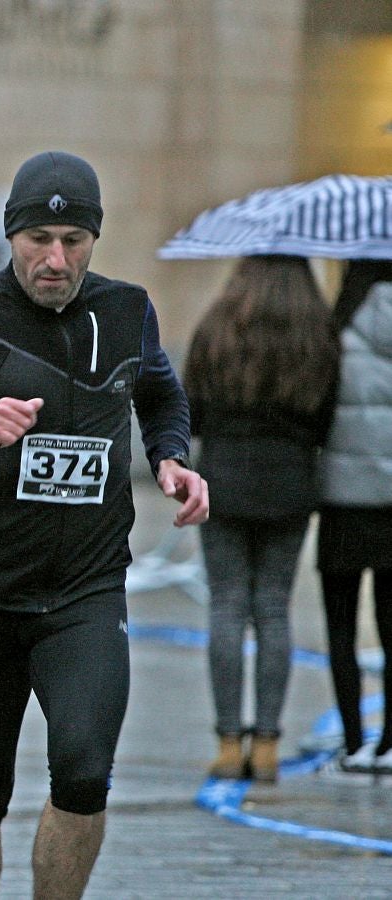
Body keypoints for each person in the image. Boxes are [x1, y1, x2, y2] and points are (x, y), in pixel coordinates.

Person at [0, 151, 209, 899]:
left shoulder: (126, 311)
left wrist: (170, 456)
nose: (55, 259)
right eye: (38, 239)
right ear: (11, 234)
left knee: (83, 773)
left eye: (73, 241)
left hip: (85, 594)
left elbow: (158, 393)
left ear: (93, 239)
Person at [182, 256, 339, 783]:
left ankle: (229, 743)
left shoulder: (217, 327)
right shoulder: (319, 335)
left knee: (226, 606)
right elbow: (326, 419)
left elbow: (192, 412)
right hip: (291, 484)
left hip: (223, 481)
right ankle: (268, 744)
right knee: (273, 607)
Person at [317, 258, 392, 774]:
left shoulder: (334, 332)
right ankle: (390, 743)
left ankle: (350, 742)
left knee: (340, 630)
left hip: (342, 503)